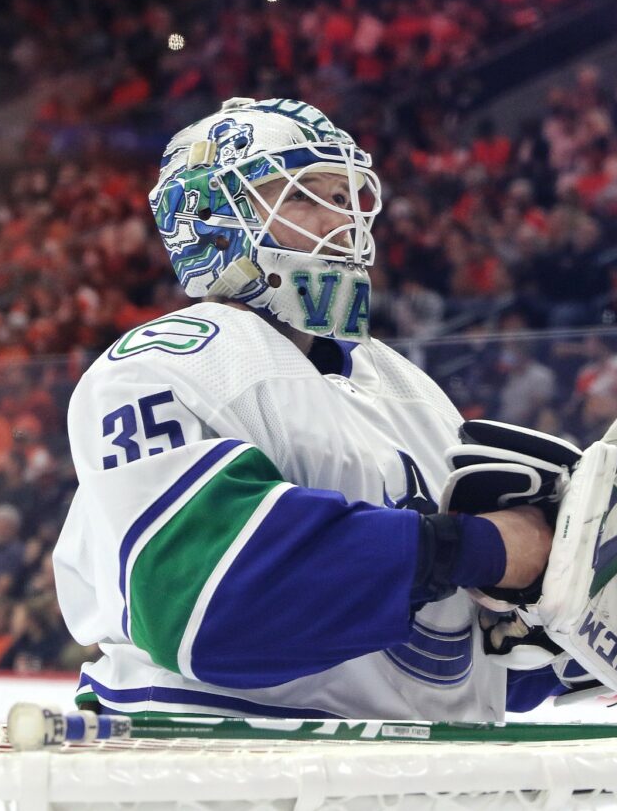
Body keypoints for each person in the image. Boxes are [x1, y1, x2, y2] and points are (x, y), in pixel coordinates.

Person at [53, 98, 560, 720]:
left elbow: (444, 662)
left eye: (346, 199)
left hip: (407, 771)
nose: (341, 222)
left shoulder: (402, 381)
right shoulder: (163, 363)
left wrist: (568, 634)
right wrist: (484, 548)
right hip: (217, 766)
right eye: (302, 197)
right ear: (212, 221)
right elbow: (215, 606)